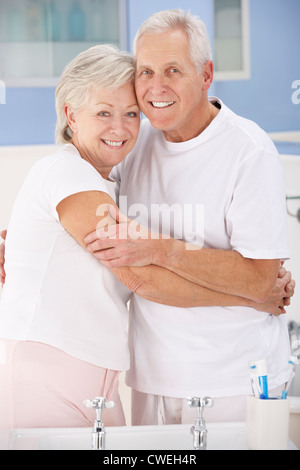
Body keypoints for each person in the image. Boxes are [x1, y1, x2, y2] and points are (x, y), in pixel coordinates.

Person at [0, 44, 292, 436]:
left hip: (96, 375)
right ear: (71, 115)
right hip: (46, 370)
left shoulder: (107, 182)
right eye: (103, 113)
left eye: (131, 114)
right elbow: (142, 278)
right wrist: (254, 293)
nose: (119, 128)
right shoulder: (69, 176)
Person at [83, 10, 295, 425]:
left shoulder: (248, 151)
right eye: (145, 71)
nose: (155, 87)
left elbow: (259, 278)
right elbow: (78, 207)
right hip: (153, 378)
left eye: (173, 70)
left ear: (206, 74)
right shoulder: (132, 143)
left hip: (236, 381)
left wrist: (159, 249)